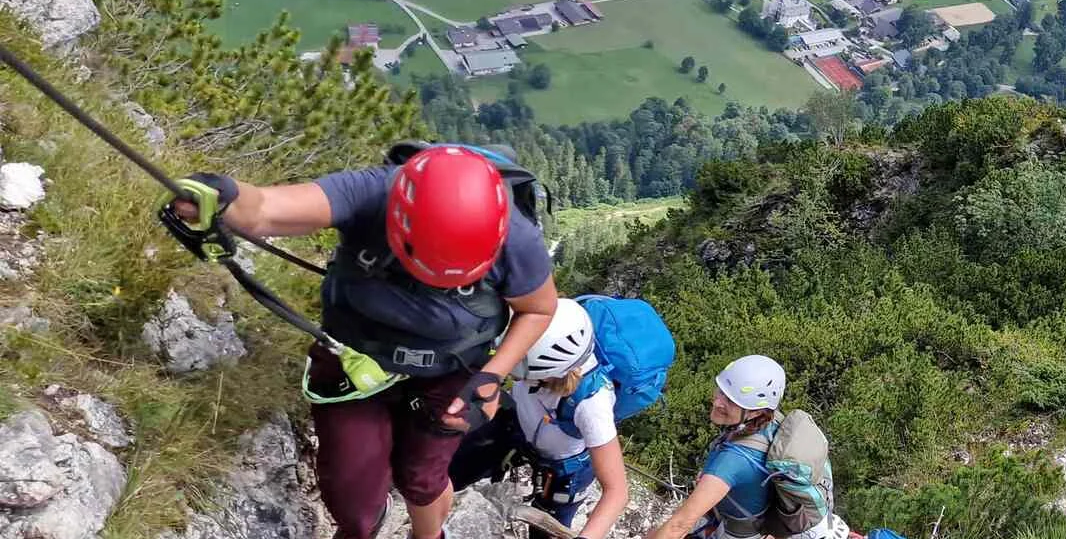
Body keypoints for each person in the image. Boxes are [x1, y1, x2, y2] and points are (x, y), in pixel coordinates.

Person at [171, 147, 557, 539]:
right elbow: (267, 208)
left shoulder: (516, 237)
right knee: (352, 503)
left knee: (422, 477)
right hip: (354, 357)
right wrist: (225, 196)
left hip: (452, 369)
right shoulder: (373, 194)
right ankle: (369, 519)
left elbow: (539, 309)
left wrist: (492, 376)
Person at [448, 298, 630, 539]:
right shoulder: (536, 336)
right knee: (454, 468)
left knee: (545, 530)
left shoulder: (592, 404)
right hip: (518, 424)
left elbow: (617, 492)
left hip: (563, 467)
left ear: (550, 373)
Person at [646, 356, 846, 539]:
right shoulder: (775, 424)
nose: (717, 402)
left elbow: (678, 526)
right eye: (721, 392)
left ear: (756, 411)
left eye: (731, 401)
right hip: (759, 523)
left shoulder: (731, 462)